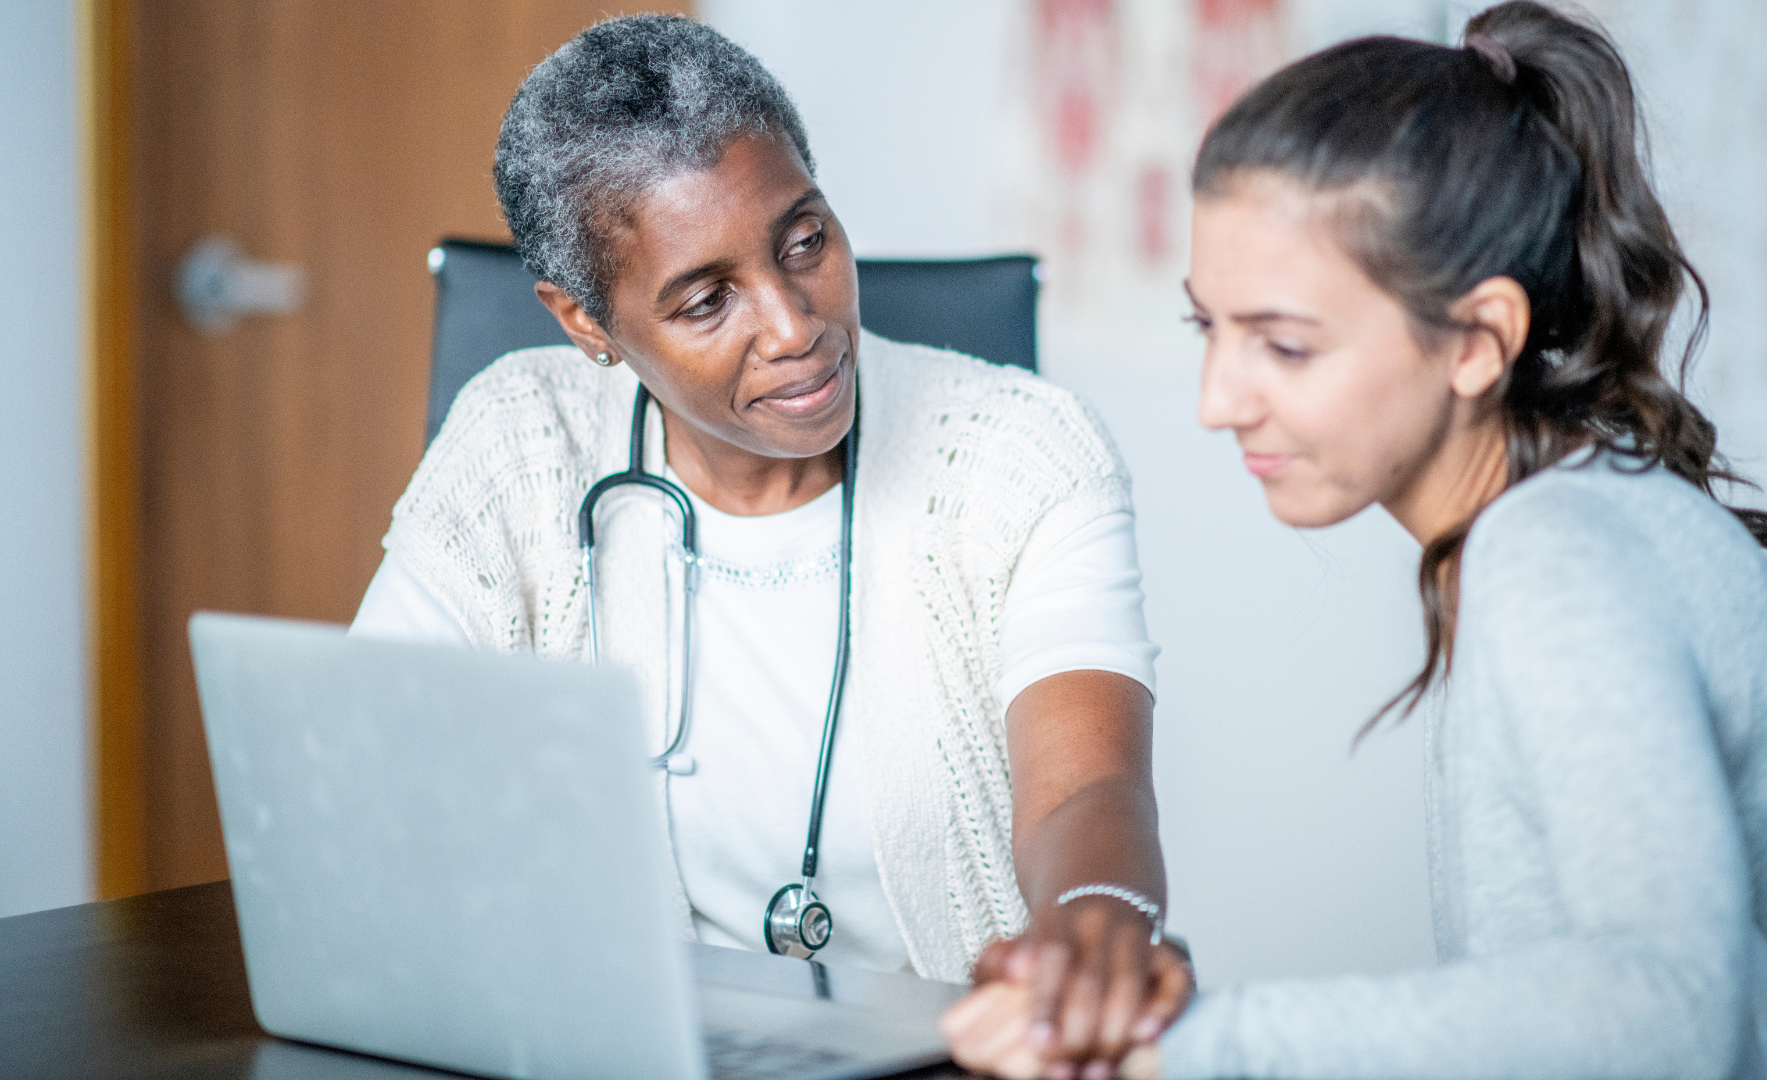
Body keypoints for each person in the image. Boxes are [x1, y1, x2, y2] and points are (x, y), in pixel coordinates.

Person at [943, 3, 1767, 1078]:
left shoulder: (1560, 556)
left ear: (1477, 341)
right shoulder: (1544, 520)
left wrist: (1185, 1048)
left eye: (1285, 346)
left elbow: (1668, 1016)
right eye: (1212, 327)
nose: (1217, 400)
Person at [349, 12, 1192, 1062]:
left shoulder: (1020, 453)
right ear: (585, 324)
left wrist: (1096, 914)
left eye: (805, 241)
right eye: (708, 300)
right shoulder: (518, 442)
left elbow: (1087, 784)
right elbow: (363, 778)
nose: (796, 326)